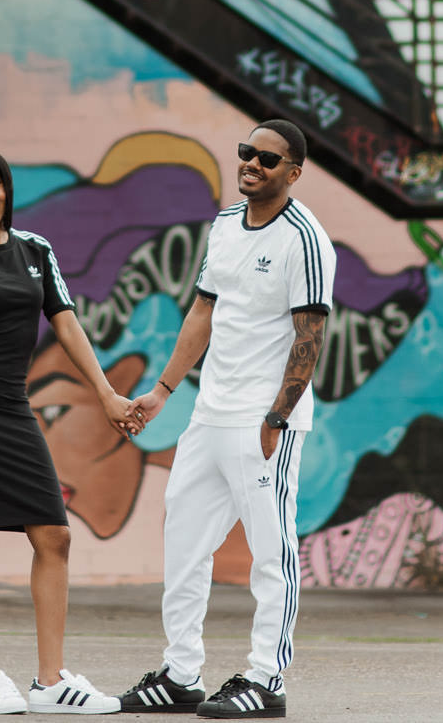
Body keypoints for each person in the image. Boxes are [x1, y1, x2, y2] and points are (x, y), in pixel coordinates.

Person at [0, 145, 135, 715]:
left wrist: (106, 394)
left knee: (53, 536)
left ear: (6, 188)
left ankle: (52, 681)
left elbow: (67, 325)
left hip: (13, 404)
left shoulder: (36, 251)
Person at [118, 119, 330, 719]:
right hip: (208, 415)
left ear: (292, 173)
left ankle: (267, 681)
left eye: (268, 158)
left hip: (263, 421)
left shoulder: (305, 239)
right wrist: (162, 391)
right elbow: (203, 312)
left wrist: (278, 417)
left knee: (272, 552)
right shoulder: (224, 226)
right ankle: (181, 675)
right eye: (246, 153)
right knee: (183, 543)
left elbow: (310, 335)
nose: (252, 164)